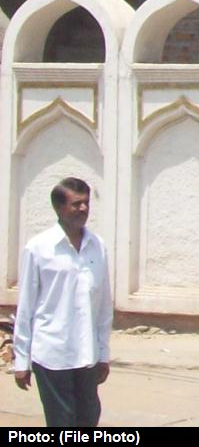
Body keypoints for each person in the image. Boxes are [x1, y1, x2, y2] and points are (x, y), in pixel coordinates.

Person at [13, 176, 111, 431]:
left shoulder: (97, 246)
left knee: (88, 418)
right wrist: (21, 360)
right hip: (52, 353)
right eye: (76, 204)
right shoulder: (39, 248)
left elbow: (102, 306)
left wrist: (103, 354)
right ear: (59, 208)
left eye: (86, 203)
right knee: (62, 422)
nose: (83, 209)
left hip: (87, 353)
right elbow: (26, 307)